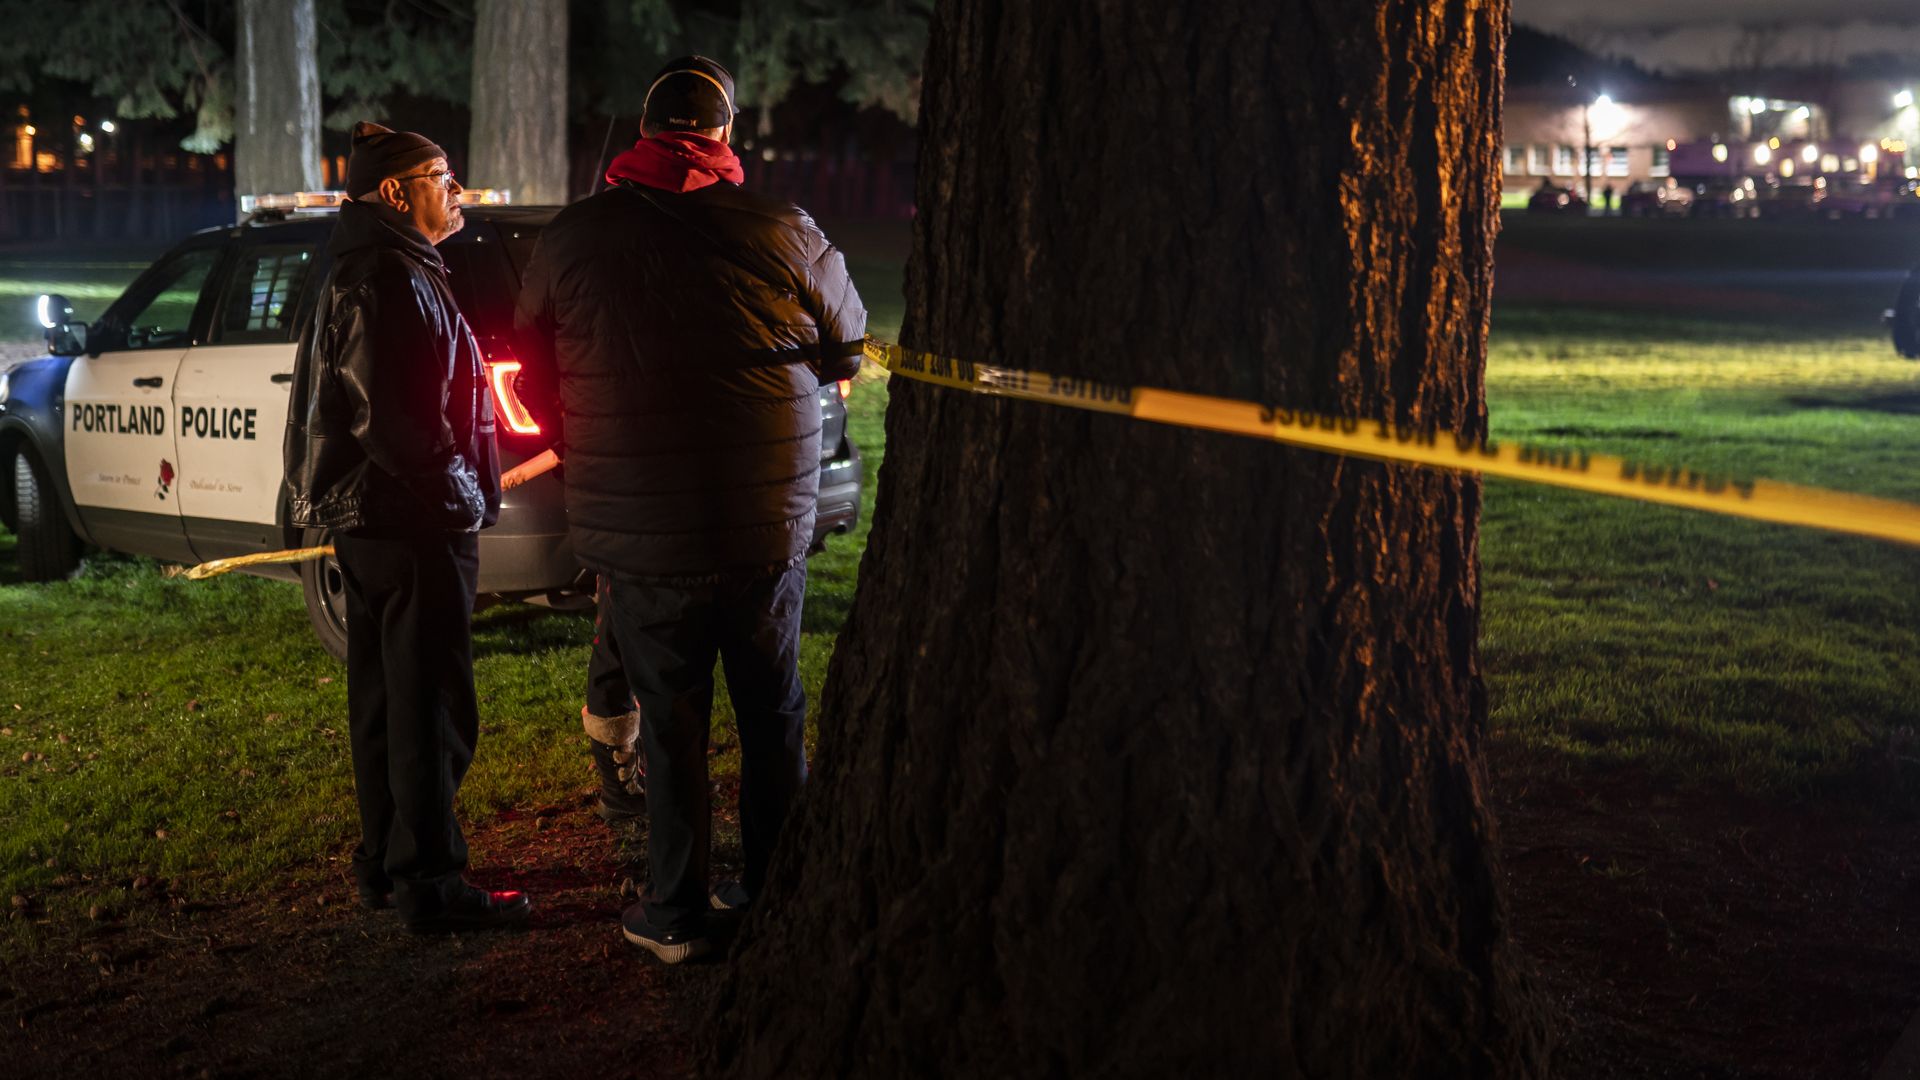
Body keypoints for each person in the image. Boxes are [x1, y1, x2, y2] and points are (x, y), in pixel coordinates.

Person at [515, 55, 865, 963]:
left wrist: (582, 426)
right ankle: (774, 886)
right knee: (771, 708)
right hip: (761, 522)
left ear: (644, 133)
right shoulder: (786, 228)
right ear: (723, 135)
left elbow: (532, 360)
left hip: (638, 529)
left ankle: (673, 912)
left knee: (669, 719)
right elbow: (849, 348)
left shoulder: (573, 237)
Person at [285, 120, 529, 934]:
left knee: (387, 699)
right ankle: (429, 879)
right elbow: (393, 420)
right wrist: (458, 493)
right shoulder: (386, 274)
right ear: (395, 193)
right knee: (429, 704)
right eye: (439, 175)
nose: (455, 190)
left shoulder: (380, 263)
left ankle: (387, 863)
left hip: (381, 521)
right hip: (410, 520)